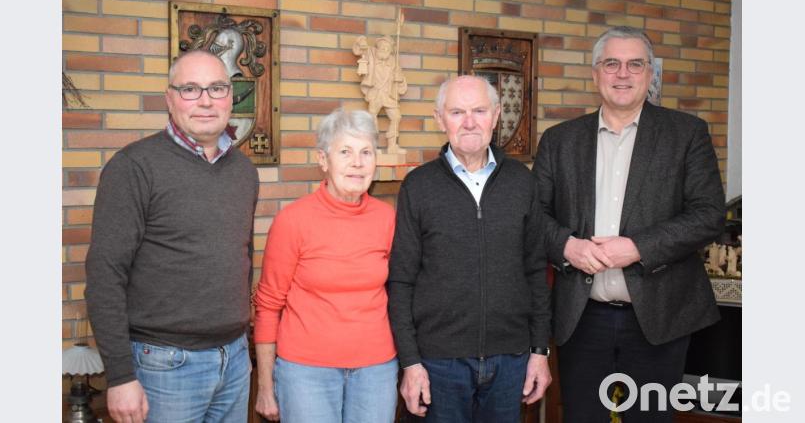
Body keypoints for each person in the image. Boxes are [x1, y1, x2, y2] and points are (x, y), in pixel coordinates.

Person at [531, 26, 725, 422]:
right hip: (582, 316)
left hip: (659, 314)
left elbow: (708, 215)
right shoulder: (559, 140)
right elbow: (534, 217)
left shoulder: (686, 134)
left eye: (635, 64)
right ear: (596, 73)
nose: (623, 74)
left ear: (650, 73)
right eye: (612, 64)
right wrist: (568, 246)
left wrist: (637, 247)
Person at [85, 49, 259, 423]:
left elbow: (241, 258)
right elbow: (105, 276)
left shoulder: (244, 171)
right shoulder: (133, 167)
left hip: (234, 359)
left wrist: (242, 347)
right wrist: (119, 376)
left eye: (217, 88)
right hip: (163, 366)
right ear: (169, 98)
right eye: (191, 89)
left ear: (231, 96)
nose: (206, 101)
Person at [387, 75, 552, 422]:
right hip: (439, 364)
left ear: (495, 116)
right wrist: (411, 362)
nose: (469, 121)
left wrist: (540, 351)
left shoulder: (523, 183)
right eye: (457, 112)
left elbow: (536, 271)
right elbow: (401, 281)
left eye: (479, 110)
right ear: (439, 119)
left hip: (511, 361)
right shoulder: (418, 186)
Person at [253, 109, 398, 423]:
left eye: (366, 152)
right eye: (345, 152)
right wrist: (265, 386)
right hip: (306, 373)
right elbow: (267, 305)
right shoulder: (293, 221)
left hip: (376, 371)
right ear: (323, 160)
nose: (357, 163)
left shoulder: (388, 219)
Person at [352, 35, 408, 152]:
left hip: (388, 95)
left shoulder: (393, 62)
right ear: (377, 48)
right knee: (372, 117)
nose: (384, 50)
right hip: (376, 93)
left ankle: (392, 146)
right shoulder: (371, 54)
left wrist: (400, 79)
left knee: (396, 117)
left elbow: (401, 78)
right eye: (382, 47)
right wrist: (361, 41)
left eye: (387, 49)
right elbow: (358, 49)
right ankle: (373, 146)